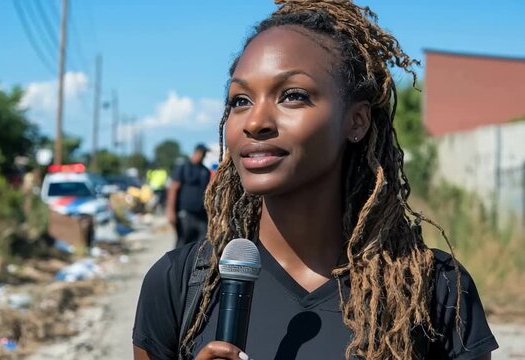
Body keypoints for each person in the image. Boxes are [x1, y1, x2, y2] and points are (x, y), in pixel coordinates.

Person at [133, 1, 498, 359]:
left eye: (292, 95)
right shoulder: (179, 284)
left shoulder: (435, 290)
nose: (254, 121)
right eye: (240, 100)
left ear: (356, 121)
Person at [166, 144, 211, 248]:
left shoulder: (205, 171)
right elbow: (173, 188)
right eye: (202, 153)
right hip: (185, 213)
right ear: (197, 152)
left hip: (201, 215)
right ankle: (177, 264)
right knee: (183, 244)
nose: (203, 156)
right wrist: (170, 211)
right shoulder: (183, 167)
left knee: (202, 244)